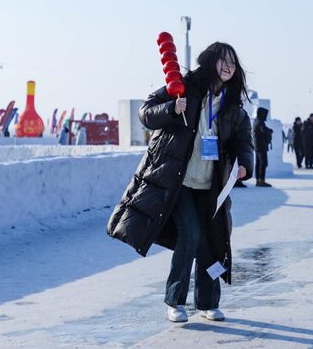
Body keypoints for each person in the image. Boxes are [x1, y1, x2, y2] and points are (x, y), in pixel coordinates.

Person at [107, 42, 254, 324]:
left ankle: (208, 303)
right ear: (211, 61)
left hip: (210, 186)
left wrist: (245, 164)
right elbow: (146, 113)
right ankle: (175, 301)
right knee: (190, 233)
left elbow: (243, 141)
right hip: (179, 181)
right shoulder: (185, 86)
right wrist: (172, 109)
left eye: (233, 63)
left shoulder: (232, 106)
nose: (228, 67)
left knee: (212, 242)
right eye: (224, 61)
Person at [253, 107, 273, 187]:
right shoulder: (260, 122)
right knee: (263, 163)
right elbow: (263, 130)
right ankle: (261, 180)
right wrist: (270, 131)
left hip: (257, 145)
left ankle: (258, 180)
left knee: (259, 163)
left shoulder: (256, 121)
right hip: (261, 145)